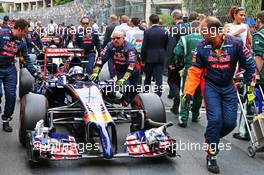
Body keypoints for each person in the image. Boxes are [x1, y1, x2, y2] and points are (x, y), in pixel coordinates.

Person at [182, 17, 255, 174]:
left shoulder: (235, 43)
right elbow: (194, 72)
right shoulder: (201, 47)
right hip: (211, 86)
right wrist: (188, 93)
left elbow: (249, 64)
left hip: (229, 86)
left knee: (230, 123)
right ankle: (211, 154)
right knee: (215, 120)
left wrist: (249, 87)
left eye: (203, 30)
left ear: (214, 31)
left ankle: (210, 137)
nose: (200, 33)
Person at [0, 19, 41, 132]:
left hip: (9, 69)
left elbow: (27, 59)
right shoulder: (2, 34)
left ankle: (6, 120)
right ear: (18, 29)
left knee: (11, 96)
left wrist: (35, 73)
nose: (26, 34)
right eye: (25, 32)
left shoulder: (21, 42)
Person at [89, 30, 140, 105]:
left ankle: (134, 106)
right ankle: (123, 104)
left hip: (133, 71)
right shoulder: (109, 45)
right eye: (113, 38)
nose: (115, 40)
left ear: (123, 38)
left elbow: (131, 66)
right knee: (123, 90)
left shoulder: (130, 48)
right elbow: (101, 59)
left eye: (118, 38)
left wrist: (124, 78)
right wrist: (96, 72)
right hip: (120, 71)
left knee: (133, 91)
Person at [175, 20, 203, 127]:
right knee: (198, 94)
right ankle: (195, 115)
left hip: (189, 69)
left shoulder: (184, 38)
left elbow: (177, 52)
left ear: (191, 28)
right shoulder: (205, 39)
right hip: (202, 71)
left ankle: (183, 118)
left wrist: (179, 64)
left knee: (186, 93)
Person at [167, 9, 189, 114]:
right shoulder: (189, 27)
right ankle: (176, 106)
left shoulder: (174, 28)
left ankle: (179, 101)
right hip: (188, 60)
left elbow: (171, 46)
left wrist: (170, 62)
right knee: (182, 83)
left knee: (171, 81)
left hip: (177, 60)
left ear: (174, 18)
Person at [141, 14, 168, 97]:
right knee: (159, 78)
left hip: (149, 57)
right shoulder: (164, 31)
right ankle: (158, 95)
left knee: (148, 77)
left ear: (150, 21)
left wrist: (143, 59)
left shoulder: (147, 31)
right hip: (160, 57)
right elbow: (166, 45)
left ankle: (145, 93)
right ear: (158, 20)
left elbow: (144, 46)